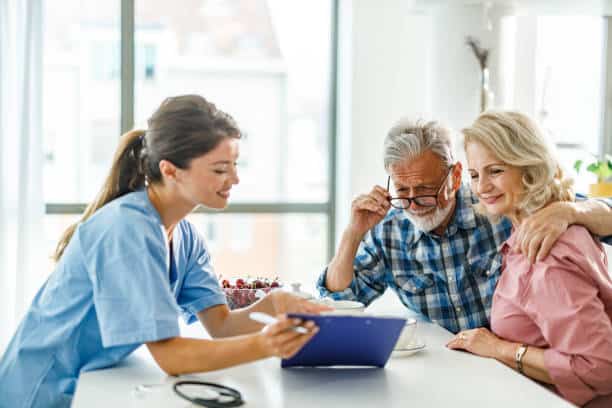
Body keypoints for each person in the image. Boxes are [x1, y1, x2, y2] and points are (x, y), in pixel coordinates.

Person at [0, 95, 328, 407]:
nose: (235, 179)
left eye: (235, 165)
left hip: (89, 384)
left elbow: (221, 327)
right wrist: (263, 345)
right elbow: (171, 357)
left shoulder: (185, 236)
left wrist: (273, 304)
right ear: (170, 170)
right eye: (219, 169)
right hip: (40, 391)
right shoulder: (126, 230)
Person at [317, 118, 612, 334]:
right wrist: (352, 234)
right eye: (402, 190)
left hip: (521, 361)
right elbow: (339, 303)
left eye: (424, 189)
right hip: (457, 368)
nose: (412, 203)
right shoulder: (390, 231)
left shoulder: (496, 202)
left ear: (455, 177)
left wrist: (567, 210)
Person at [447, 110, 612, 407]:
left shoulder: (547, 253)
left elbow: (599, 367)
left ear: (529, 168)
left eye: (495, 171)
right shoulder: (530, 226)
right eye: (474, 175)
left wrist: (499, 348)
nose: (482, 187)